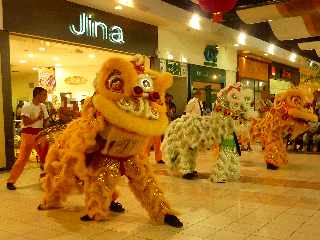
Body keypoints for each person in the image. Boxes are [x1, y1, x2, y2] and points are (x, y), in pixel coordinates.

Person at [7, 87, 49, 190]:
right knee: (23, 158)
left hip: (40, 133)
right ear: (37, 94)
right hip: (28, 134)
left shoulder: (43, 106)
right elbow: (25, 122)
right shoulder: (26, 106)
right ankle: (10, 181)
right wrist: (37, 118)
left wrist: (46, 123)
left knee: (47, 157)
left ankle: (47, 180)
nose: (45, 97)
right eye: (44, 95)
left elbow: (46, 119)